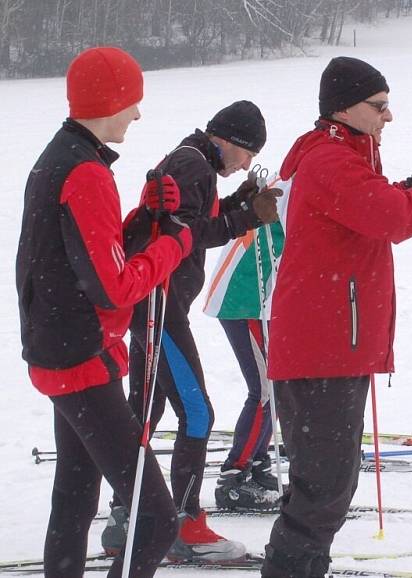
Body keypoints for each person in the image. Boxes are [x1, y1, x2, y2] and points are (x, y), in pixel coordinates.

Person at [261, 56, 412, 578]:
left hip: (329, 346)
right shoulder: (330, 160)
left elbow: (376, 206)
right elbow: (390, 217)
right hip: (322, 350)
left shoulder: (345, 155)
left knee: (327, 485)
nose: (388, 116)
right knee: (323, 489)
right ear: (344, 107)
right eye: (379, 105)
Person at [15, 46, 203, 577]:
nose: (138, 115)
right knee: (157, 519)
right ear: (110, 101)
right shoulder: (86, 172)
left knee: (74, 496)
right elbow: (115, 286)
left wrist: (143, 216)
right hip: (81, 361)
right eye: (133, 102)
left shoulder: (62, 156)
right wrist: (173, 244)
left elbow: (83, 255)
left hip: (58, 355)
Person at [102, 101, 281, 563]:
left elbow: (186, 216)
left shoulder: (192, 160)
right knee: (196, 412)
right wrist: (245, 217)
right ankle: (182, 523)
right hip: (158, 305)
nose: (245, 162)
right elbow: (186, 231)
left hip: (154, 302)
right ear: (228, 140)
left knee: (144, 409)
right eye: (245, 153)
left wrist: (239, 201)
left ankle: (131, 512)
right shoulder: (192, 162)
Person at [202, 176, 289, 509]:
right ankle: (235, 476)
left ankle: (255, 462)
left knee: (274, 386)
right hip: (245, 300)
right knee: (266, 389)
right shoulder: (289, 191)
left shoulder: (286, 185)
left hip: (254, 298)